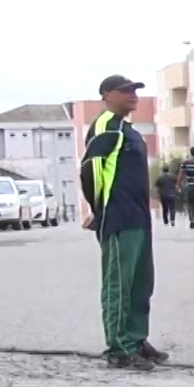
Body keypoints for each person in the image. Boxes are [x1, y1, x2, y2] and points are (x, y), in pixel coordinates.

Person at [78, 75, 164, 371]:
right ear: (107, 95)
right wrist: (98, 209)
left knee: (141, 282)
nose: (133, 96)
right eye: (126, 91)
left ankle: (137, 338)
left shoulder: (128, 130)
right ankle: (119, 346)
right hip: (118, 217)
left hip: (138, 215)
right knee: (119, 284)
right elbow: (91, 171)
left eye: (135, 91)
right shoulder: (106, 126)